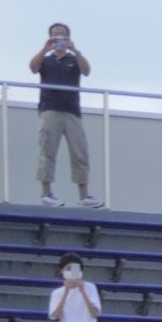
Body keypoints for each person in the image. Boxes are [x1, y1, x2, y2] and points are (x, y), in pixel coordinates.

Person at [28, 23, 104, 209]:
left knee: (80, 152)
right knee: (48, 151)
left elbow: (86, 71)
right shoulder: (46, 59)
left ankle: (84, 196)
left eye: (62, 36)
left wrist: (75, 51)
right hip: (50, 109)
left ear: (68, 38)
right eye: (55, 36)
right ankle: (47, 193)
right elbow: (32, 67)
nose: (58, 39)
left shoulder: (74, 59)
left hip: (72, 111)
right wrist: (44, 49)